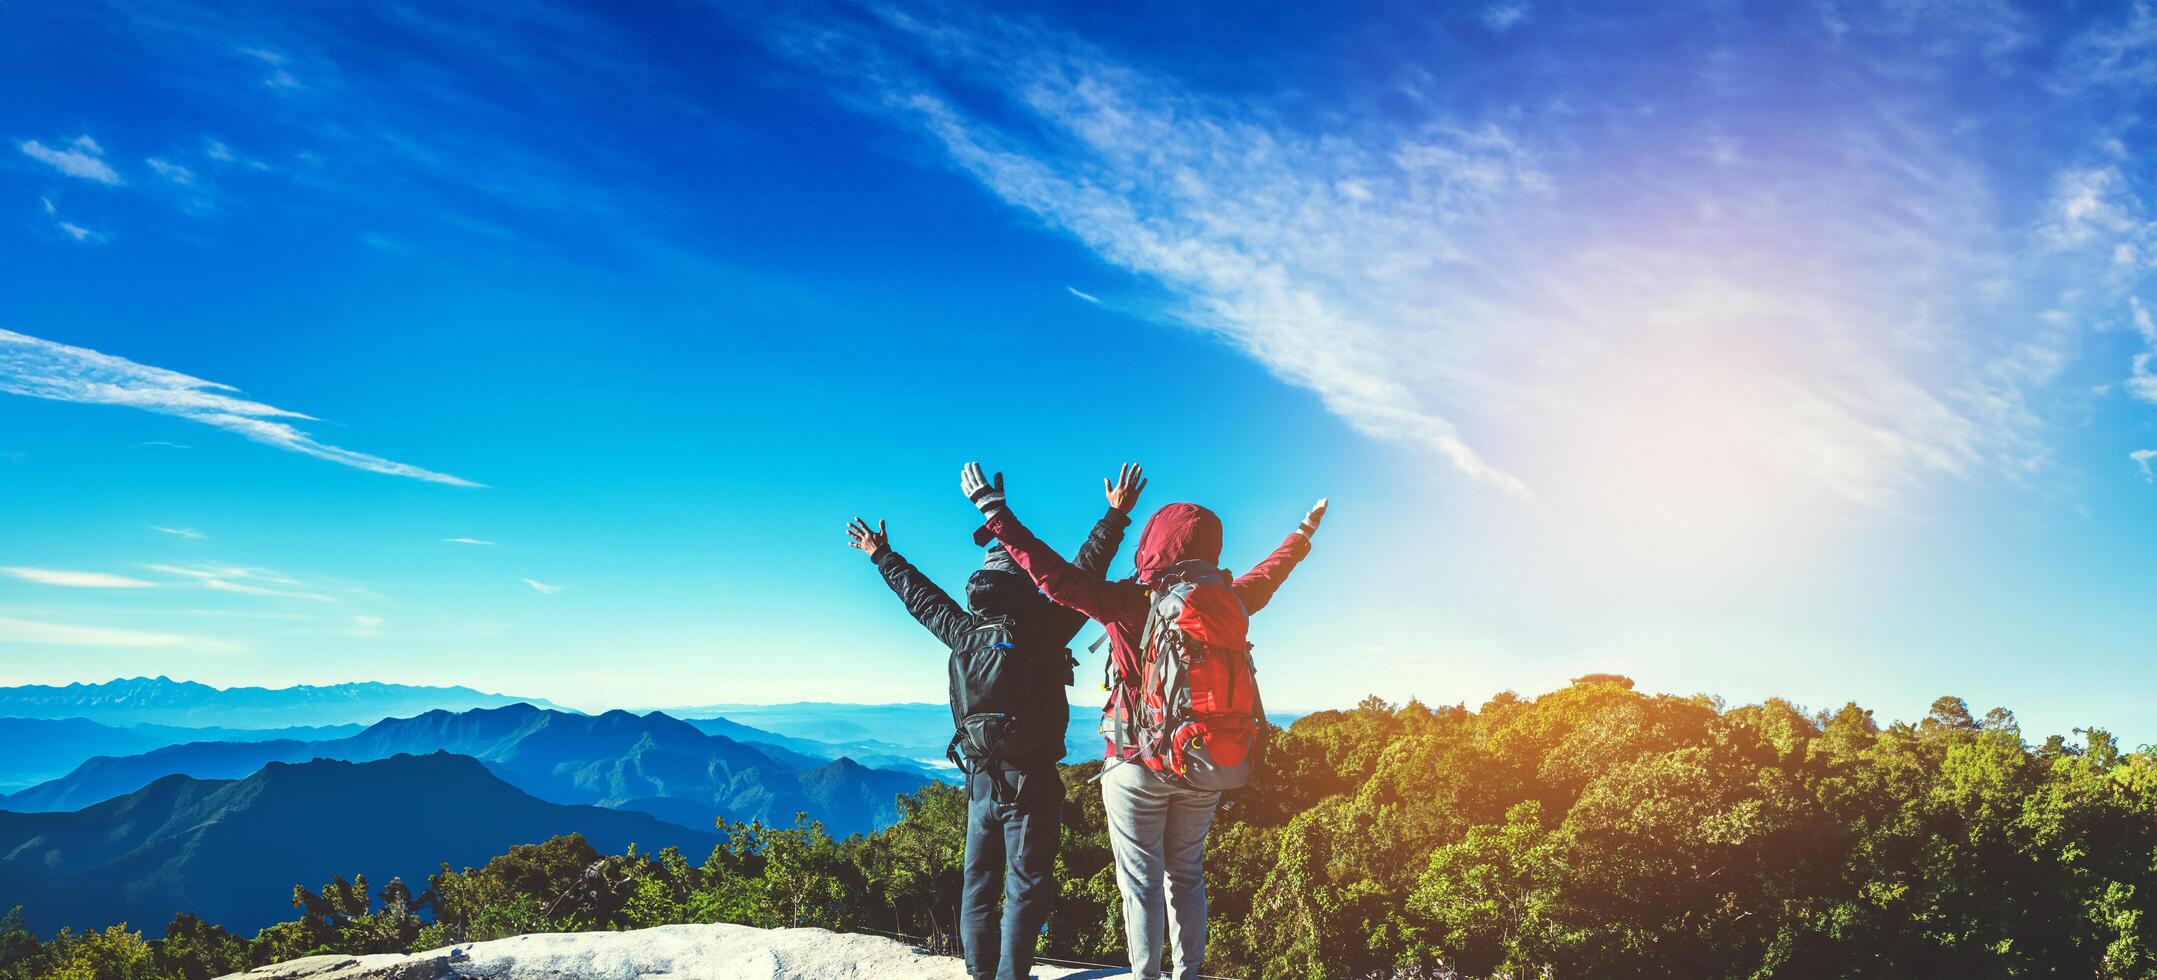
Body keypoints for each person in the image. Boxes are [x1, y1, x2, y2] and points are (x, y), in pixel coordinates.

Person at [955, 461, 1326, 980]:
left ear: (1155, 542)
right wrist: (1303, 534)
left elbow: (1052, 574)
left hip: (1136, 763)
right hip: (1205, 759)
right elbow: (1271, 572)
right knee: (1186, 874)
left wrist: (994, 512)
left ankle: (1146, 975)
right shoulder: (1231, 602)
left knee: (1141, 882)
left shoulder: (1130, 599)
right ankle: (1188, 973)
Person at [845, 463, 1149, 980]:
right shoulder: (1046, 627)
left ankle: (979, 973)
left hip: (978, 776)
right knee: (1026, 884)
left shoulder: (964, 631)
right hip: (1029, 778)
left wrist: (882, 555)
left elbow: (919, 598)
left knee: (978, 879)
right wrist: (1116, 515)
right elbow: (1085, 570)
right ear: (1024, 585)